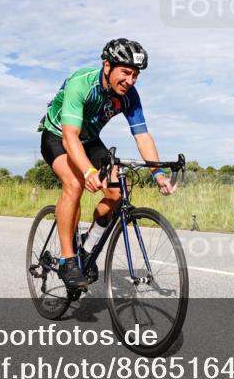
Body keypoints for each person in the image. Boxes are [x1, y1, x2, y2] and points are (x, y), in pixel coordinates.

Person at [38, 39, 177, 290]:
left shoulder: (129, 97)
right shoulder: (82, 82)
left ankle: (88, 246)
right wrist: (88, 171)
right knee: (74, 183)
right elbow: (70, 136)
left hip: (89, 139)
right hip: (58, 135)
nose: (130, 80)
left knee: (116, 191)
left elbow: (142, 136)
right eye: (125, 72)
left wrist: (158, 173)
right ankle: (67, 260)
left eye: (135, 75)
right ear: (107, 66)